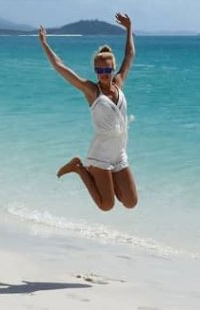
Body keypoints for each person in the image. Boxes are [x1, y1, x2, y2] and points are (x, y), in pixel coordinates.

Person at [38, 13, 138, 212]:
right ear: (95, 71)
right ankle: (78, 168)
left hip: (118, 151)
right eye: (99, 71)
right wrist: (44, 44)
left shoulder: (118, 83)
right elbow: (61, 68)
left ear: (113, 69)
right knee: (106, 205)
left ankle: (110, 179)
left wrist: (129, 29)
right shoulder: (91, 91)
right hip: (101, 152)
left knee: (130, 202)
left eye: (107, 70)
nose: (103, 75)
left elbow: (130, 55)